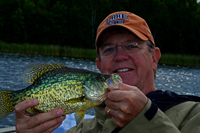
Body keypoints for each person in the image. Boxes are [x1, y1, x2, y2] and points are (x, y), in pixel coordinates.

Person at [15, 11, 200, 133]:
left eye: (132, 45)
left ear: (154, 58)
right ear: (99, 65)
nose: (120, 56)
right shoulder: (81, 129)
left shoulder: (193, 113)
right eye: (109, 49)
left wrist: (145, 116)